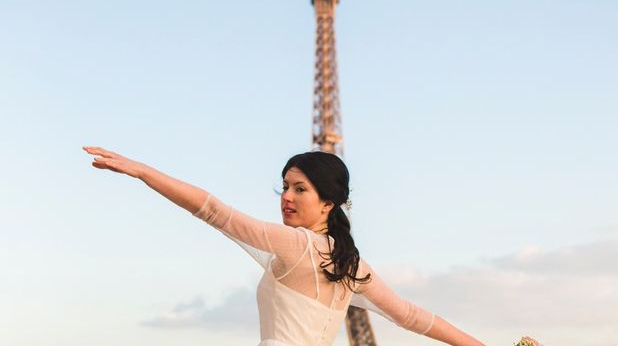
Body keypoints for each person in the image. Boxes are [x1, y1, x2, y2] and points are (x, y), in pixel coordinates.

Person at [83, 146, 487, 346]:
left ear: (328, 201)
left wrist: (141, 171)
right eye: (285, 187)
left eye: (300, 189)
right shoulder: (351, 265)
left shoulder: (297, 244)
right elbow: (414, 318)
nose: (287, 197)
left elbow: (212, 210)